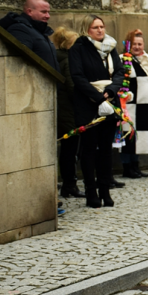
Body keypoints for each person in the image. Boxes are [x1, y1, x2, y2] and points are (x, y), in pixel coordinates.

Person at [69, 15, 124, 208]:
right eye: (95, 27)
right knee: (89, 149)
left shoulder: (111, 47)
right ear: (87, 30)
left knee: (106, 150)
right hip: (88, 103)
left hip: (110, 101)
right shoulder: (78, 49)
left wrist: (110, 92)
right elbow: (77, 76)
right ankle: (91, 191)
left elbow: (119, 72)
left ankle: (105, 189)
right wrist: (98, 97)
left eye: (102, 26)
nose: (100, 30)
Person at [120, 29, 148, 179]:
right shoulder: (123, 59)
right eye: (134, 44)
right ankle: (127, 167)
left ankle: (136, 165)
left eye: (140, 44)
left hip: (144, 104)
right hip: (129, 104)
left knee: (140, 136)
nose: (137, 47)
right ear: (129, 44)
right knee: (128, 135)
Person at [51, 28, 84, 200]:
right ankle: (70, 185)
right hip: (69, 111)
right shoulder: (69, 60)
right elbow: (73, 87)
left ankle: (68, 184)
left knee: (67, 150)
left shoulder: (57, 56)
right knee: (70, 150)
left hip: (63, 109)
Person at [0, 0, 58, 70]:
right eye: (43, 12)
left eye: (48, 12)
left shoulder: (38, 30)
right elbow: (21, 63)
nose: (48, 16)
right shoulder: (19, 29)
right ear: (30, 11)